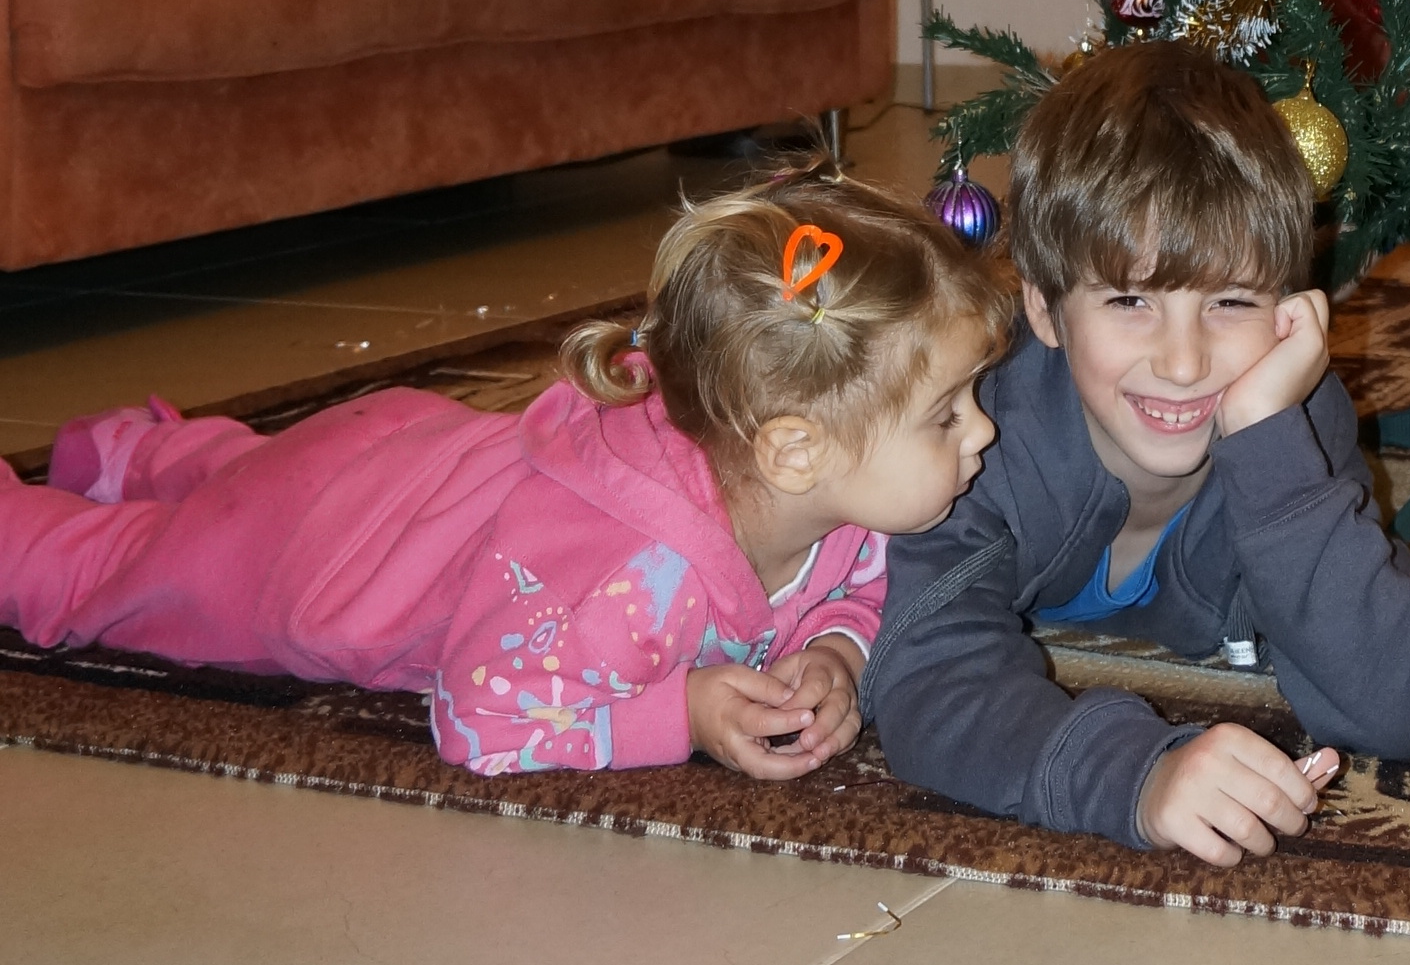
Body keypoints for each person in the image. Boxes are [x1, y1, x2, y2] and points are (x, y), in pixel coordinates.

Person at [0, 175, 1009, 780]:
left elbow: (853, 591)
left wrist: (834, 652)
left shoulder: (828, 490)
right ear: (793, 449)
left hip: (410, 460)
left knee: (255, 474)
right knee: (109, 576)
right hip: (331, 552)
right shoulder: (623, 584)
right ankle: (80, 493)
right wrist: (682, 714)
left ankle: (134, 454)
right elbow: (479, 717)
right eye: (946, 413)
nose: (983, 431)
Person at [863, 42, 1410, 865]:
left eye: (1231, 301)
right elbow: (924, 678)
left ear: (1289, 310)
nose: (1182, 363)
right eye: (1130, 300)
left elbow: (1395, 705)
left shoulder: (1288, 417)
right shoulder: (974, 433)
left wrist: (1271, 450)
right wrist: (1136, 777)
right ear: (1045, 310)